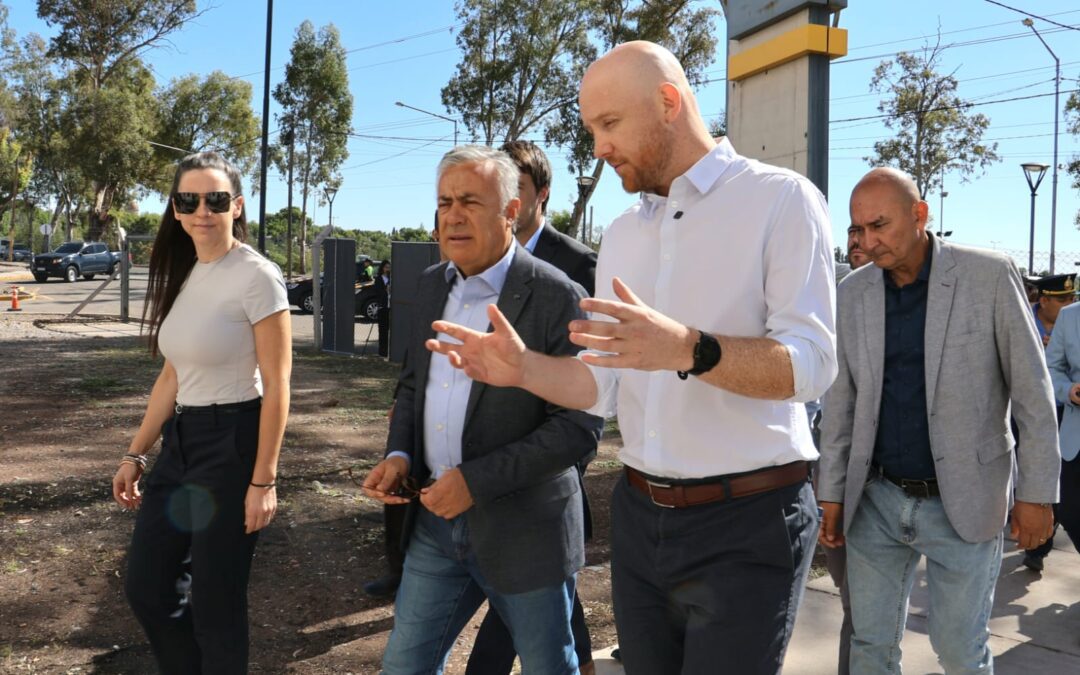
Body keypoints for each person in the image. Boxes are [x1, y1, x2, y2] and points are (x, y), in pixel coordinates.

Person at [426, 41, 837, 674]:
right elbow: (603, 388)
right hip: (641, 519)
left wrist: (688, 349)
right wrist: (523, 369)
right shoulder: (622, 234)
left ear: (669, 103)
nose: (597, 148)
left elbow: (810, 365)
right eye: (591, 129)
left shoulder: (781, 201)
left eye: (609, 125)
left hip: (747, 523)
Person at [362, 145, 599, 674]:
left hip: (526, 533)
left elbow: (579, 428)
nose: (453, 215)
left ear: (512, 211)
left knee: (548, 667)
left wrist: (475, 480)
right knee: (403, 666)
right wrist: (400, 454)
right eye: (444, 202)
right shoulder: (428, 286)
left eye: (470, 201)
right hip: (435, 526)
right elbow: (411, 387)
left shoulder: (558, 295)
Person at [818, 167, 1059, 674]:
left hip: (965, 500)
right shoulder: (854, 293)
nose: (868, 240)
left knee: (959, 651)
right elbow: (842, 404)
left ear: (920, 215)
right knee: (870, 646)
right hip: (877, 500)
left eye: (879, 225)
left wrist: (1037, 494)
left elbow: (1033, 394)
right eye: (859, 229)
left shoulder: (988, 276)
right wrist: (832, 493)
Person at [112, 151, 292, 673]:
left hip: (234, 442)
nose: (202, 211)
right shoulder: (188, 272)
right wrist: (136, 453)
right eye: (189, 200)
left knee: (217, 602)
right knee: (146, 586)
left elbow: (279, 385)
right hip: (182, 442)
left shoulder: (258, 276)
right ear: (175, 208)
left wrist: (264, 481)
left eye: (215, 200)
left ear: (236, 206)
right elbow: (171, 375)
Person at [462, 141, 601, 675]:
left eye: (515, 189)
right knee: (544, 580)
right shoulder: (474, 257)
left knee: (533, 573)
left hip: (552, 441)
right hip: (486, 445)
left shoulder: (577, 265)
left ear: (540, 195)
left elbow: (589, 368)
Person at [814, 221, 872, 675]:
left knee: (864, 608)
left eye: (872, 230)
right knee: (855, 600)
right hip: (836, 480)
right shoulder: (827, 303)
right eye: (853, 232)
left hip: (888, 488)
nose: (858, 241)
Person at [1025, 273, 1080, 572]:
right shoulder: (1071, 318)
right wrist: (1068, 390)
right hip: (1072, 431)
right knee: (1070, 511)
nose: (1068, 300)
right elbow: (1052, 367)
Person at [1031, 273, 1076, 348]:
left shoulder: (1076, 323)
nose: (1070, 305)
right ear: (1044, 301)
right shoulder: (1023, 320)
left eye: (1072, 299)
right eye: (1062, 300)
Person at [375, 260, 392, 357]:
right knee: (383, 331)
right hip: (382, 307)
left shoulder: (391, 278)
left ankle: (390, 351)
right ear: (382, 268)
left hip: (391, 307)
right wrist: (385, 290)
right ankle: (382, 352)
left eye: (389, 267)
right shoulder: (379, 279)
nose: (387, 269)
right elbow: (377, 292)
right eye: (386, 267)